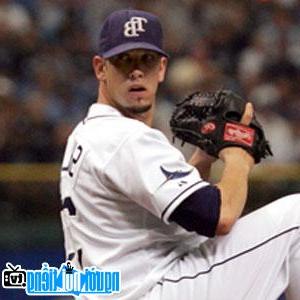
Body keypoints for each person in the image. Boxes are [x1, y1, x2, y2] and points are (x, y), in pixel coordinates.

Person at [60, 9, 300, 300]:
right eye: (124, 60)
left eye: (145, 60)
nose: (136, 71)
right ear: (100, 68)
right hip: (150, 290)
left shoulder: (88, 134)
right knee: (296, 217)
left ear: (161, 69)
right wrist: (238, 156)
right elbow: (219, 217)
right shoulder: (123, 137)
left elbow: (184, 219)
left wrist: (203, 158)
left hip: (126, 288)